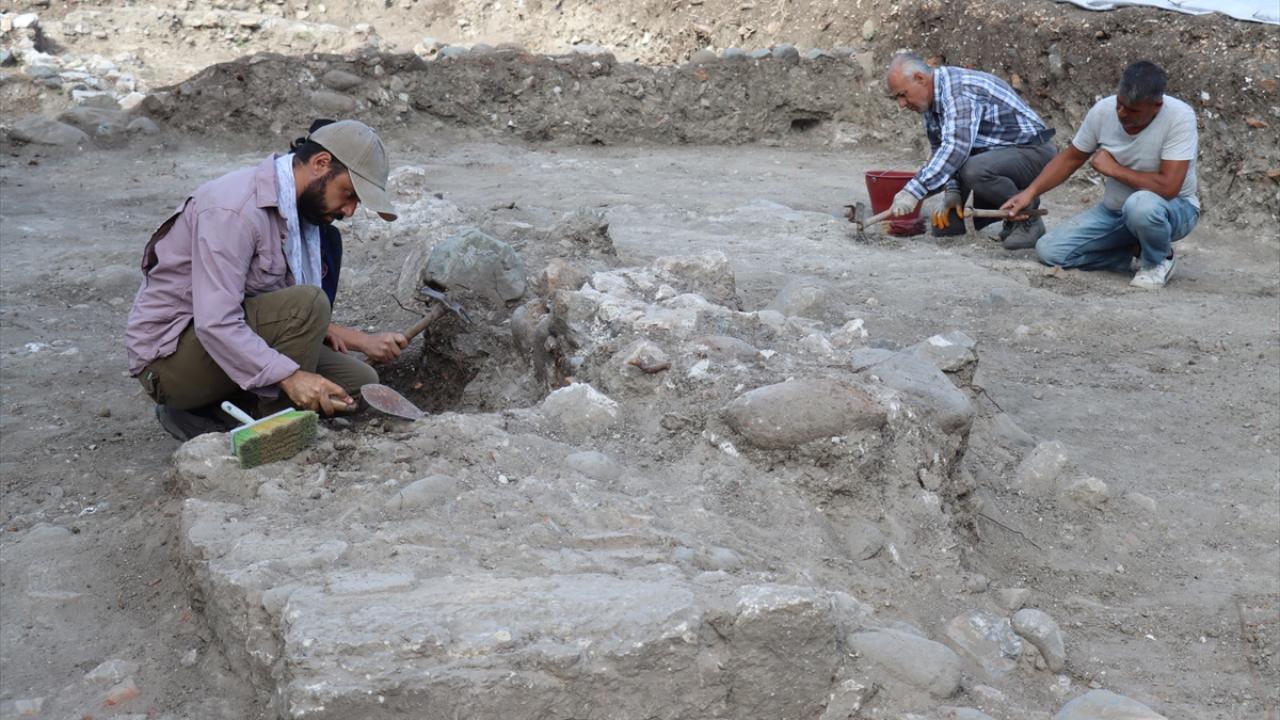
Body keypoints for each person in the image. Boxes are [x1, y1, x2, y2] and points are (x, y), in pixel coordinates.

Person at [125, 119, 410, 440]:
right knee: (308, 304)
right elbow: (217, 322)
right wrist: (291, 377)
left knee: (357, 380)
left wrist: (342, 340)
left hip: (220, 342)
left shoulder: (299, 215)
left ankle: (218, 413)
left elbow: (266, 303)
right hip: (170, 362)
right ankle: (274, 430)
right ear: (320, 163)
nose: (350, 211)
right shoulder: (234, 209)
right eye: (348, 194)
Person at [1002, 61, 1198, 289]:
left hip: (1175, 209)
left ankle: (1158, 260)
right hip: (1115, 212)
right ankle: (1131, 251)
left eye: (1133, 110)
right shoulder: (1104, 111)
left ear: (1156, 106)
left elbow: (1168, 187)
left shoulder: (1179, 117)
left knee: (1140, 205)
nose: (1122, 113)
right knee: (1050, 251)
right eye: (1120, 104)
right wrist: (1030, 192)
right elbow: (1072, 158)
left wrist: (1114, 169)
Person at [884, 52, 1057, 249]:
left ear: (920, 79)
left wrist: (912, 192)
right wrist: (953, 191)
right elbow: (940, 149)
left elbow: (956, 148)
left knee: (973, 170)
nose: (901, 104)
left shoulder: (958, 91)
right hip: (992, 158)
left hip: (1032, 152)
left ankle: (1028, 219)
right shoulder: (930, 103)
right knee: (947, 229)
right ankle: (1008, 213)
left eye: (902, 94)